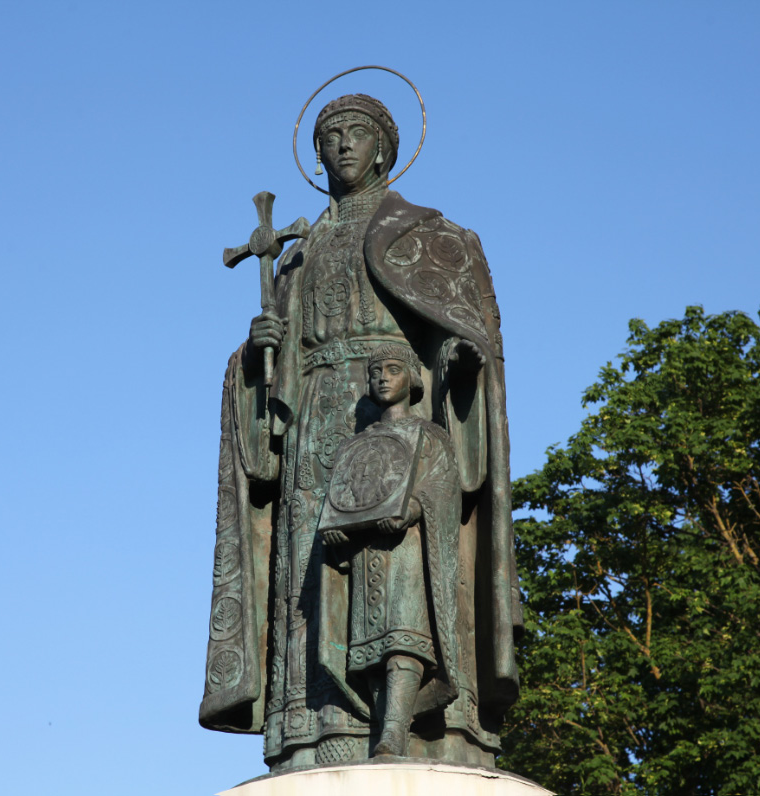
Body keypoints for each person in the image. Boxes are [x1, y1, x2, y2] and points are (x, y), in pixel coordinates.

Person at [200, 93, 521, 771]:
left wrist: (456, 365)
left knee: (395, 566)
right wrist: (259, 357)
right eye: (330, 136)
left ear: (385, 147)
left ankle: (415, 720)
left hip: (395, 421)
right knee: (312, 573)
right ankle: (321, 727)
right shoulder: (297, 253)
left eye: (357, 133)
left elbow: (463, 341)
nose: (343, 145)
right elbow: (271, 373)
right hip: (317, 419)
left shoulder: (431, 239)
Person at [318, 341, 463, 757]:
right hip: (368, 555)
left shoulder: (427, 434)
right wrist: (337, 534)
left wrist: (415, 507)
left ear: (413, 379)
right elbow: (346, 497)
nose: (383, 377)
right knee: (371, 648)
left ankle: (395, 730)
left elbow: (443, 484)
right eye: (376, 372)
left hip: (408, 550)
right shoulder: (355, 445)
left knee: (404, 638)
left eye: (393, 369)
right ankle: (385, 722)